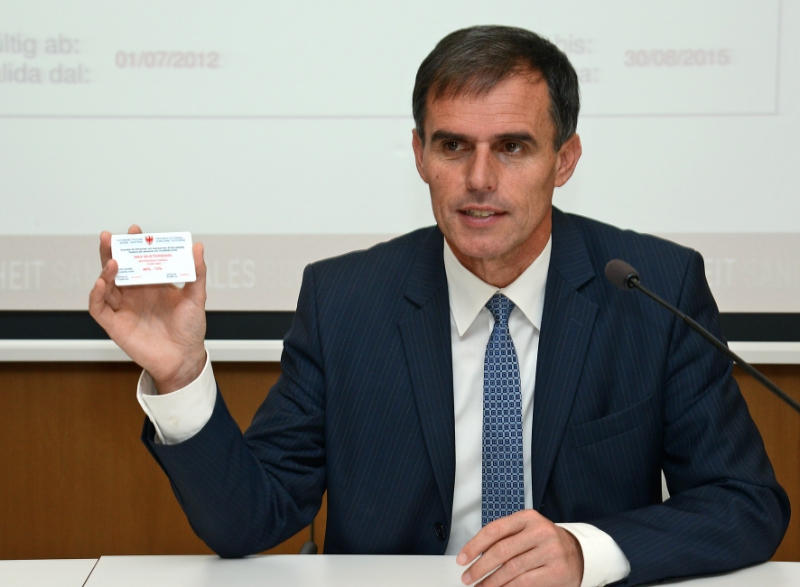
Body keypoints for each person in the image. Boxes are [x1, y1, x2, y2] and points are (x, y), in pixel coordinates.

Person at [89, 26, 789, 587]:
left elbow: (745, 502)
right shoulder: (344, 300)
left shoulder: (652, 289)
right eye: (453, 145)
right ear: (421, 154)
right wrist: (181, 375)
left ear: (565, 159)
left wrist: (586, 551)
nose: (479, 178)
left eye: (512, 147)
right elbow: (249, 520)